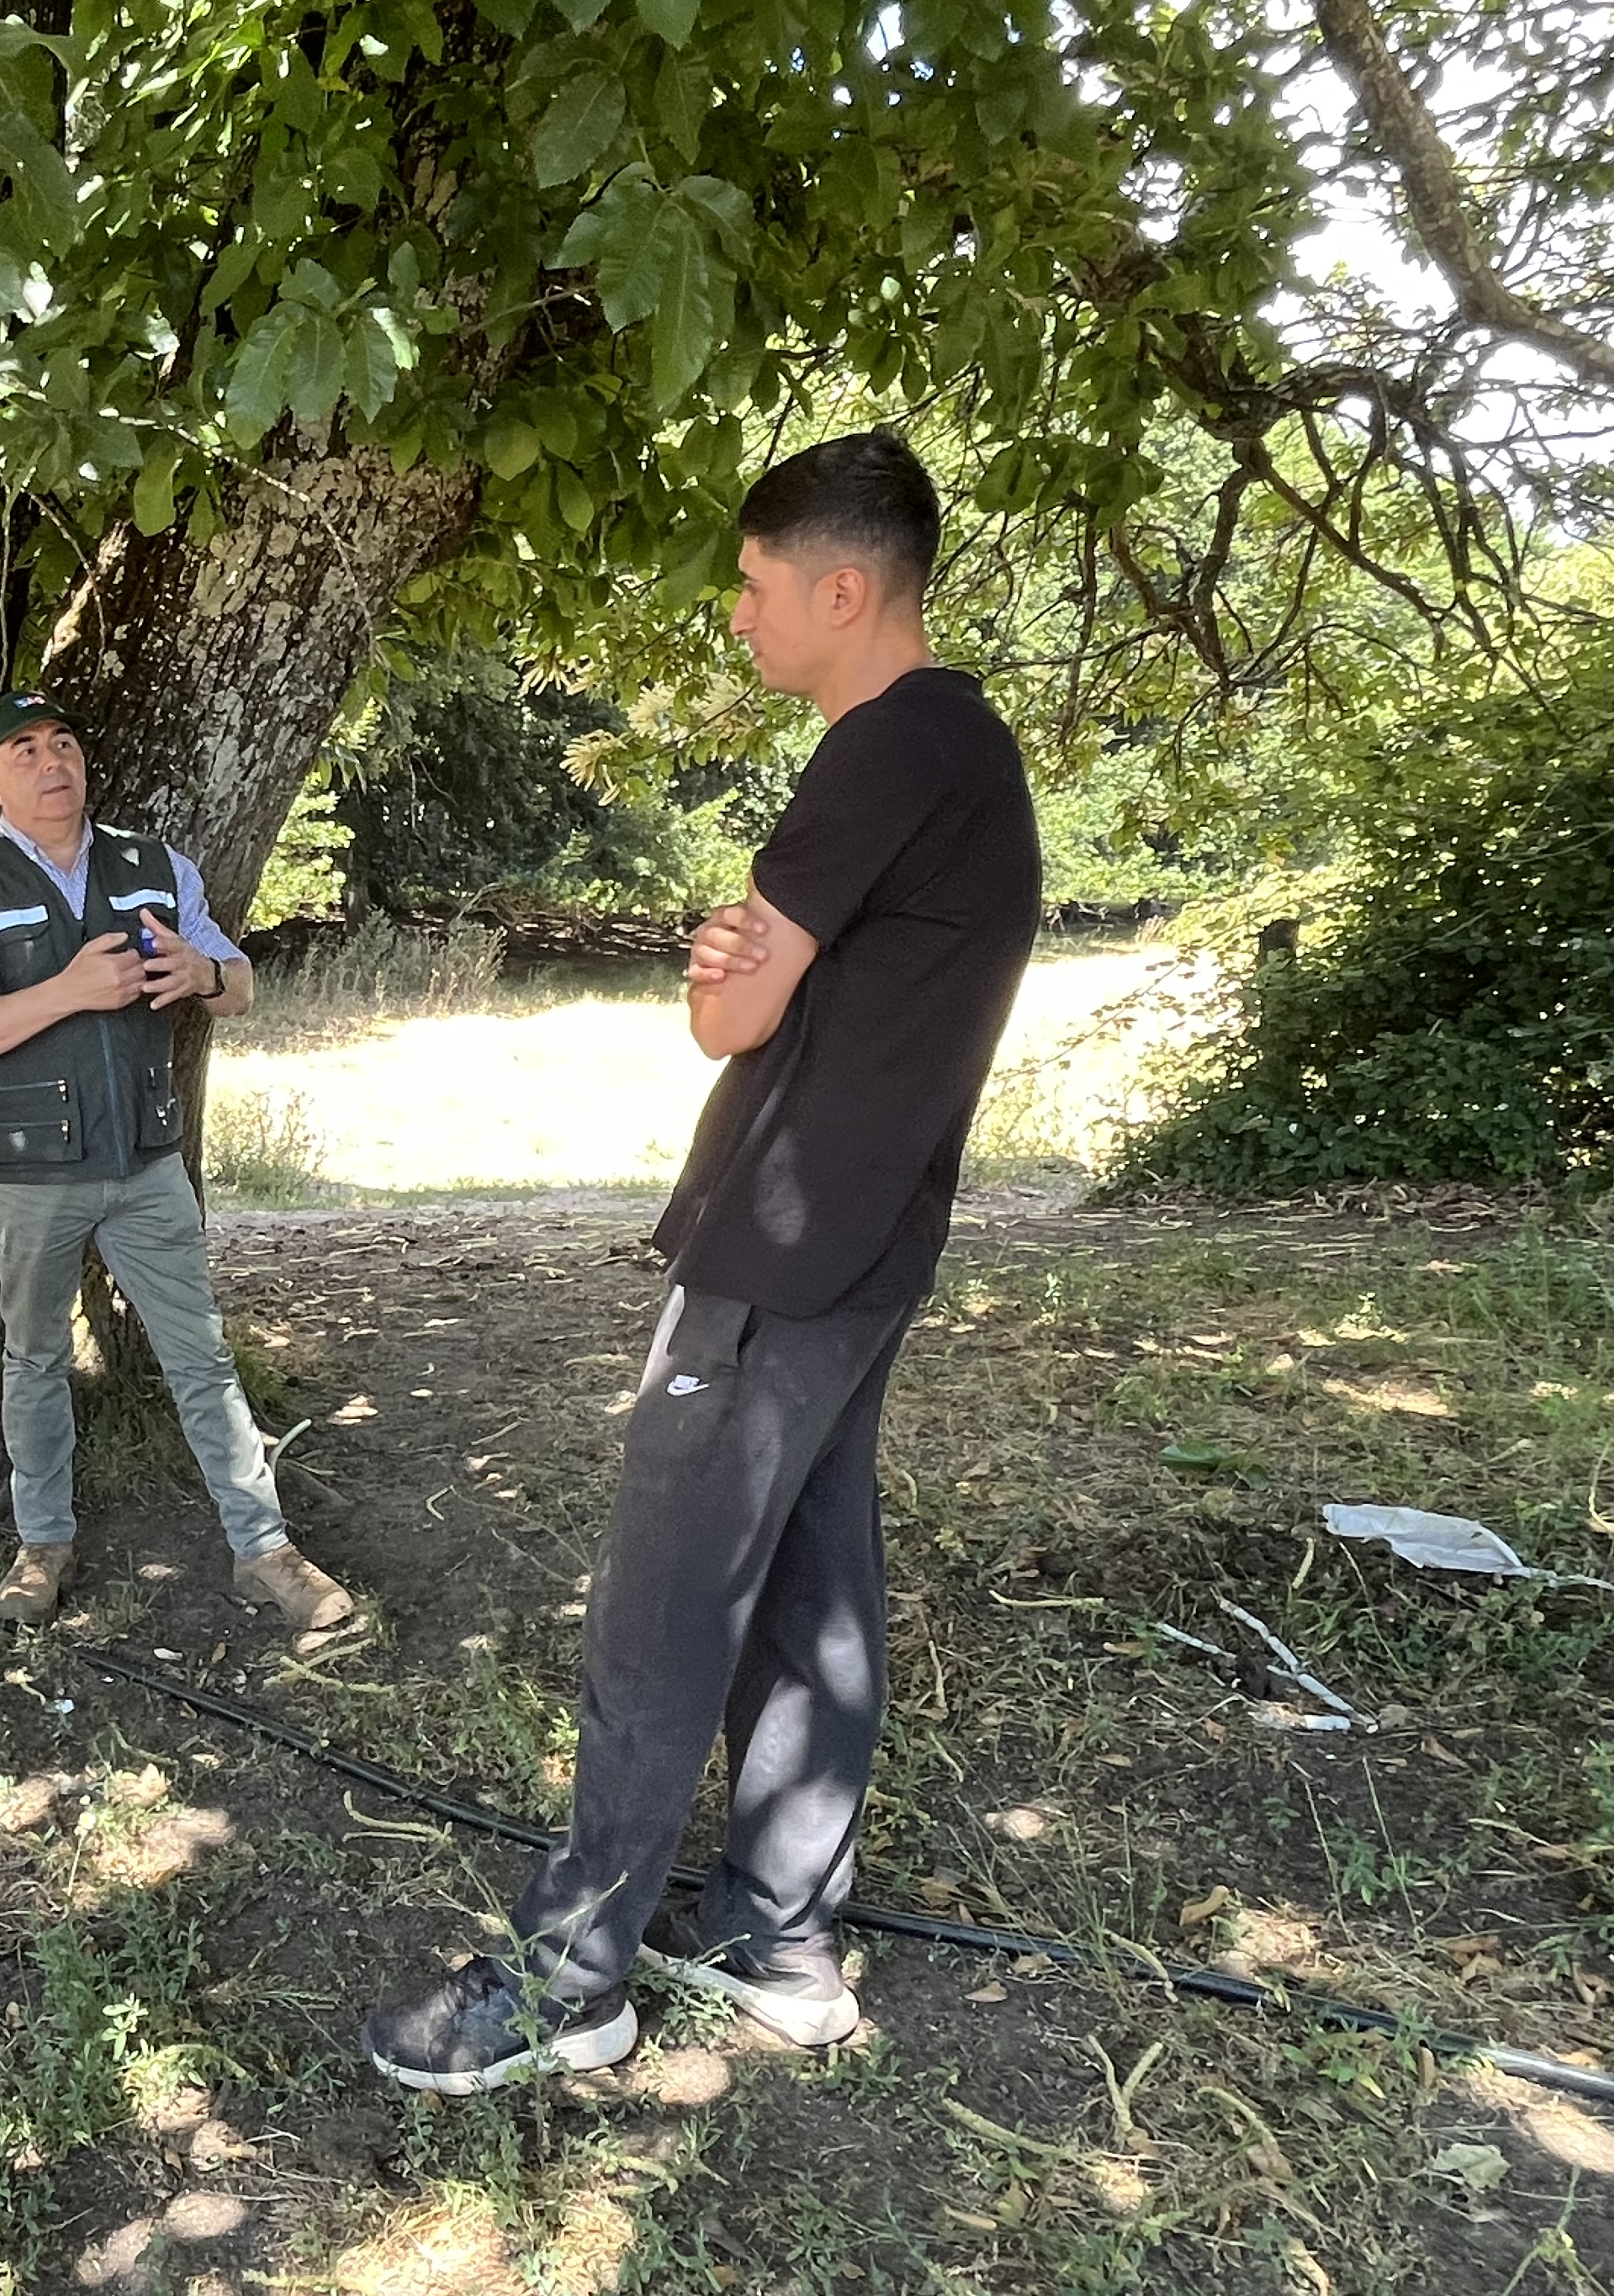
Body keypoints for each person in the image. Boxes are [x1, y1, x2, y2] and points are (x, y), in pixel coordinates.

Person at [363, 430, 1042, 2092]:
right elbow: (777, 990)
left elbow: (726, 1013)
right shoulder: (968, 752)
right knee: (813, 1590)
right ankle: (775, 1938)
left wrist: (731, 967)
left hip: (783, 1247)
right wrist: (751, 965)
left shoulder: (887, 747)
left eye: (752, 585)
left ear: (842, 589)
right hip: (864, 1242)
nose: (737, 616)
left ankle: (570, 1976)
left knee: (661, 1605)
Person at [0, 689, 356, 1634]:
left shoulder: (154, 867)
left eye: (63, 742)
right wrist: (70, 990)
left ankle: (264, 1550)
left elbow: (238, 986)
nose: (52, 762)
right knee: (34, 1360)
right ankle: (43, 1544)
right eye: (25, 751)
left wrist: (205, 974)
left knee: (202, 1360)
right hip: (27, 1176)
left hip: (148, 1168)